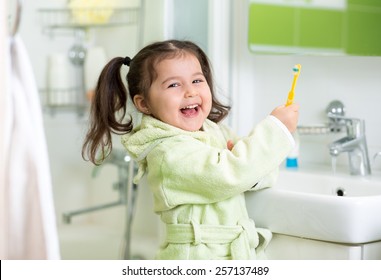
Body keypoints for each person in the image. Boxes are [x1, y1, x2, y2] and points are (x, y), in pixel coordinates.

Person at [82, 40, 299, 260]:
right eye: (174, 85)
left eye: (197, 80)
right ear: (144, 104)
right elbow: (229, 173)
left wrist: (246, 167)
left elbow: (254, 168)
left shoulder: (214, 131)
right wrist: (276, 130)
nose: (190, 91)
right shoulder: (168, 153)